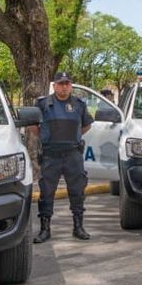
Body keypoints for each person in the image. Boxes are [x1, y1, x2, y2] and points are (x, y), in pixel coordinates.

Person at [33, 72, 94, 243]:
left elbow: (86, 125)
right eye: (61, 83)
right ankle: (45, 229)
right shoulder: (43, 104)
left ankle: (78, 227)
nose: (64, 87)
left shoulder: (79, 104)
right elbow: (33, 126)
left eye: (67, 83)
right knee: (46, 193)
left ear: (71, 85)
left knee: (77, 192)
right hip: (50, 156)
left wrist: (72, 137)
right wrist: (48, 137)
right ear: (54, 86)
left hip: (72, 155)